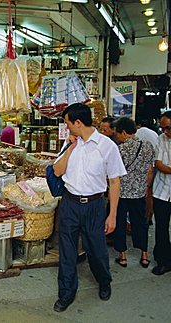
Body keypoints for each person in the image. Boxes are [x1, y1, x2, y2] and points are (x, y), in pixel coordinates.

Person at [52, 103, 126, 312]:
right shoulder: (70, 144)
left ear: (77, 123)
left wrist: (112, 215)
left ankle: (104, 281)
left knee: (97, 250)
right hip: (70, 204)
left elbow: (114, 182)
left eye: (68, 124)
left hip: (94, 205)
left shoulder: (106, 146)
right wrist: (70, 148)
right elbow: (57, 171)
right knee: (67, 251)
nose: (66, 128)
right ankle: (66, 293)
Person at [113, 117, 154, 268]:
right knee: (140, 223)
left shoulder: (120, 149)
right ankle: (144, 255)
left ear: (123, 132)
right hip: (139, 192)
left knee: (120, 223)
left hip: (121, 194)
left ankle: (122, 255)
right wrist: (146, 186)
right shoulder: (147, 146)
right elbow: (150, 169)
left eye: (117, 133)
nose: (117, 136)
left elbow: (114, 173)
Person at [151, 111, 171, 276]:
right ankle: (164, 261)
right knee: (161, 228)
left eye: (168, 128)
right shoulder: (160, 139)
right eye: (163, 128)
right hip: (161, 192)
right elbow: (158, 164)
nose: (165, 131)